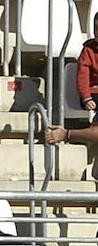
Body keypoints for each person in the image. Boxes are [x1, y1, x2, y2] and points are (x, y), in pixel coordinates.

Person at [47, 14, 98, 147]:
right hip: (93, 94)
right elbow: (82, 76)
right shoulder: (88, 51)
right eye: (96, 28)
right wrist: (86, 97)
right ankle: (66, 134)